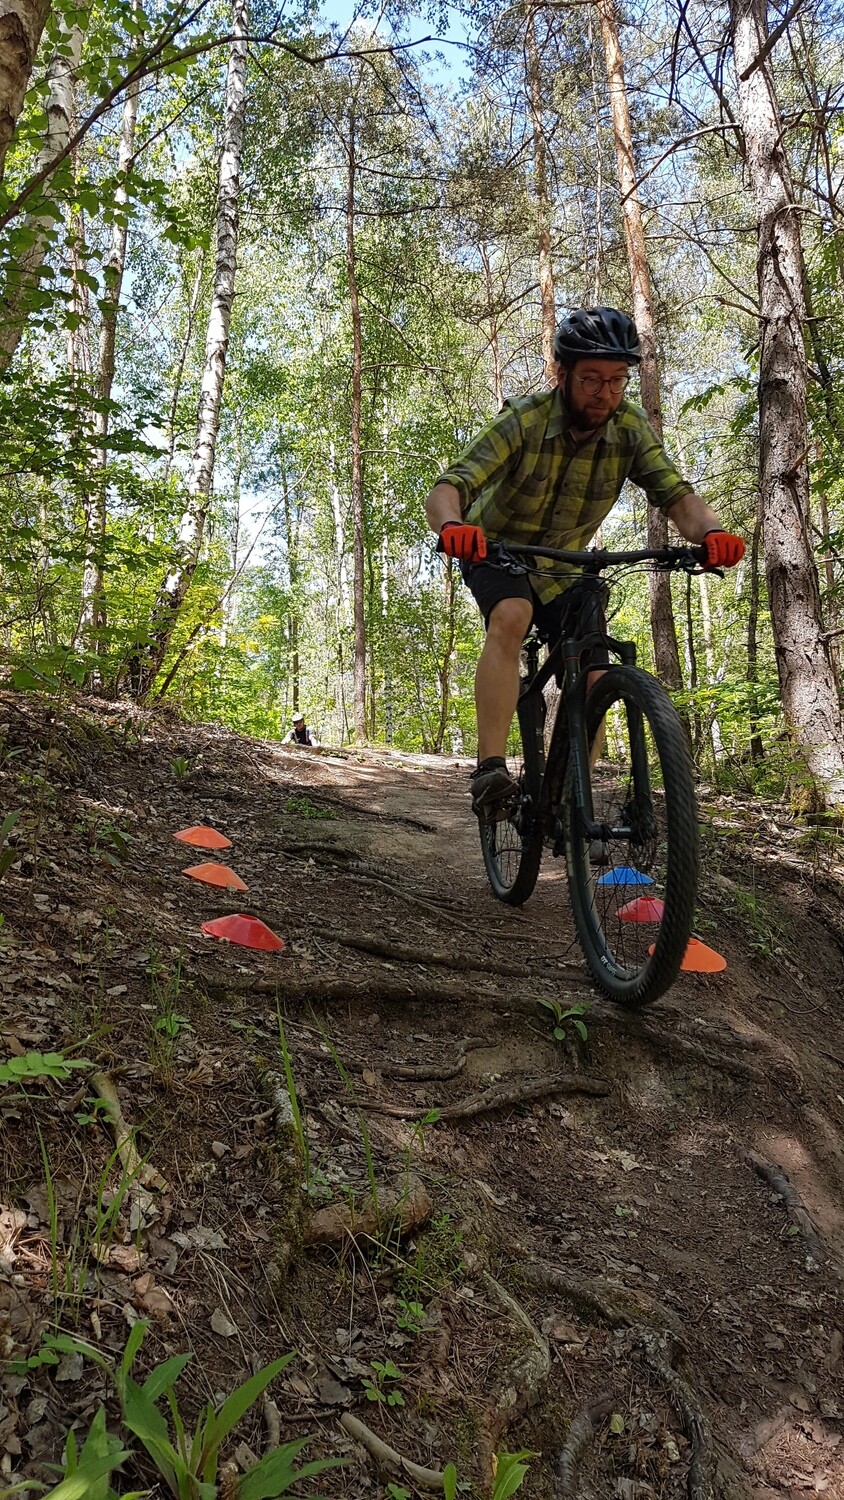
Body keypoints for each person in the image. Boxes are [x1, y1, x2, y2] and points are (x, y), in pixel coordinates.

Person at [424, 306, 745, 817]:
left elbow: (677, 496)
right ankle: (490, 769)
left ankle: (573, 794)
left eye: (617, 380)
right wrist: (452, 528)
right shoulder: (525, 420)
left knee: (597, 670)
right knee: (512, 614)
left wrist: (711, 533)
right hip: (496, 549)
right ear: (563, 375)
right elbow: (450, 486)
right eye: (592, 379)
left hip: (567, 565)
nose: (606, 392)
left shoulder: (629, 428)